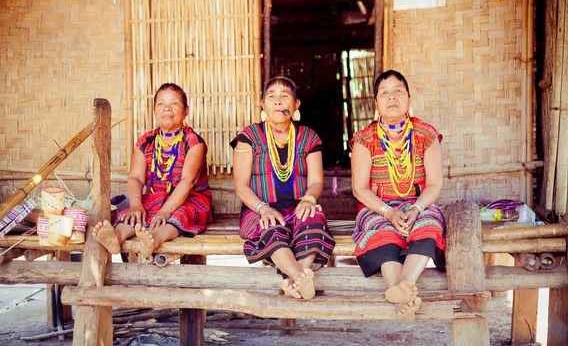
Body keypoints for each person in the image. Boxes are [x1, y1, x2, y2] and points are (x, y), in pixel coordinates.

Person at [350, 70, 445, 322]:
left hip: (419, 203)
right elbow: (360, 189)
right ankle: (405, 293)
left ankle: (401, 287)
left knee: (429, 224)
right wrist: (388, 212)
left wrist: (416, 208)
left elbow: (435, 183)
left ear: (409, 99)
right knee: (382, 231)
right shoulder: (364, 139)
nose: (392, 97)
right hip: (378, 206)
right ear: (376, 103)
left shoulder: (426, 134)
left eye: (398, 91)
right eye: (384, 93)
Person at [231, 76, 335, 300]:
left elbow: (316, 181)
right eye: (272, 96)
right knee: (270, 226)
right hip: (258, 209)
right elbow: (240, 186)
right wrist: (263, 208)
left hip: (299, 206)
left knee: (314, 218)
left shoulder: (309, 137)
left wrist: (309, 199)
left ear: (296, 105)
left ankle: (294, 280)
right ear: (263, 104)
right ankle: (300, 278)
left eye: (285, 96)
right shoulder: (248, 137)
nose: (278, 101)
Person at [93, 83, 214, 258]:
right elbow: (135, 177)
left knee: (180, 214)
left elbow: (188, 181)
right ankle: (116, 237)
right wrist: (135, 204)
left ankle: (153, 239)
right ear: (154, 111)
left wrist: (166, 211)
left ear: (186, 110)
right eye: (161, 104)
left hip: (191, 200)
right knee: (134, 214)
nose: (167, 108)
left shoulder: (194, 142)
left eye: (174, 103)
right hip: (155, 198)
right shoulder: (146, 141)